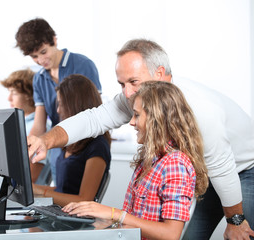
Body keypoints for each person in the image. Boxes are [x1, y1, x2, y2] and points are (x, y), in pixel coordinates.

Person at [28, 39, 254, 239]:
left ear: (160, 74)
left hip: (242, 169)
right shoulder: (139, 99)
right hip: (205, 170)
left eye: (133, 81)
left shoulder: (200, 112)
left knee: (240, 233)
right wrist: (46, 140)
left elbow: (222, 168)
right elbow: (94, 119)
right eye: (121, 84)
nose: (127, 93)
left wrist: (235, 221)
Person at [63, 81, 208, 239]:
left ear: (156, 119)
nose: (132, 122)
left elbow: (171, 234)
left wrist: (115, 214)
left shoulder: (175, 163)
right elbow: (136, 220)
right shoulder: (153, 159)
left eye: (137, 115)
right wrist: (102, 216)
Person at [15, 18, 102, 183]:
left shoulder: (83, 65)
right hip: (58, 150)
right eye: (34, 57)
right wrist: (23, 151)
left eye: (43, 52)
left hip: (85, 148)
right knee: (59, 200)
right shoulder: (39, 79)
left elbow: (98, 115)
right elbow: (39, 125)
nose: (41, 60)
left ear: (54, 40)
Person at [32, 74, 111, 207]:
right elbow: (61, 191)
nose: (58, 110)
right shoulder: (70, 143)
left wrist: (38, 190)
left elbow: (84, 199)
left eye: (61, 104)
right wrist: (31, 189)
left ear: (75, 106)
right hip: (60, 213)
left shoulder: (97, 146)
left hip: (76, 221)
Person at [0, 68, 50, 182]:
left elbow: (31, 176)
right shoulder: (21, 125)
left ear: (30, 95)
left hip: (33, 197)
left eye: (14, 93)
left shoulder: (40, 129)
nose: (9, 98)